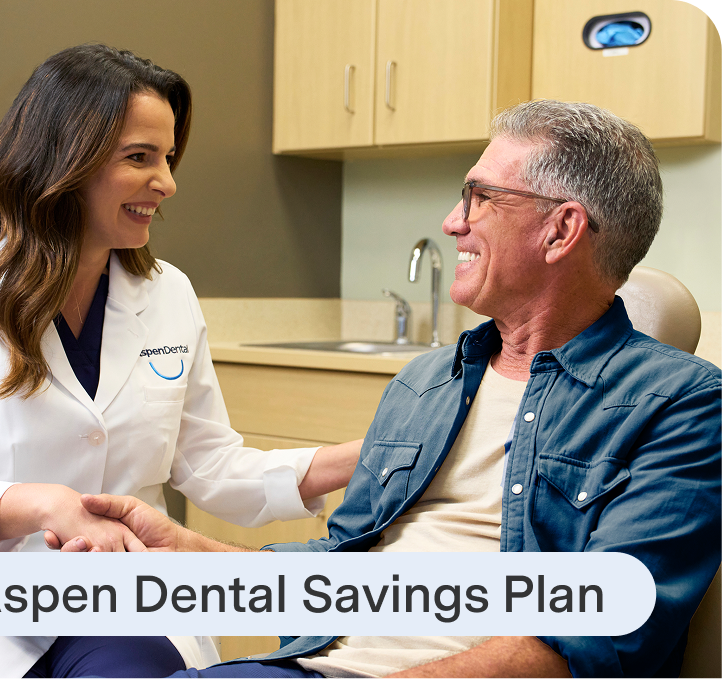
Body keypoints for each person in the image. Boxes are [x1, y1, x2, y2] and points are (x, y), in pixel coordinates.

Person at [67, 100, 722, 679]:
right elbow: (338, 567)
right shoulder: (425, 384)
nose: (453, 221)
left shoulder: (683, 405)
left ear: (562, 229)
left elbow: (604, 627)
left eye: (480, 197)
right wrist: (186, 551)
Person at [0, 44, 360, 679]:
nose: (167, 181)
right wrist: (45, 505)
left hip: (122, 599)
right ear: (64, 160)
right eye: (140, 158)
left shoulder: (169, 293)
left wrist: (363, 457)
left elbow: (209, 464)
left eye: (167, 157)